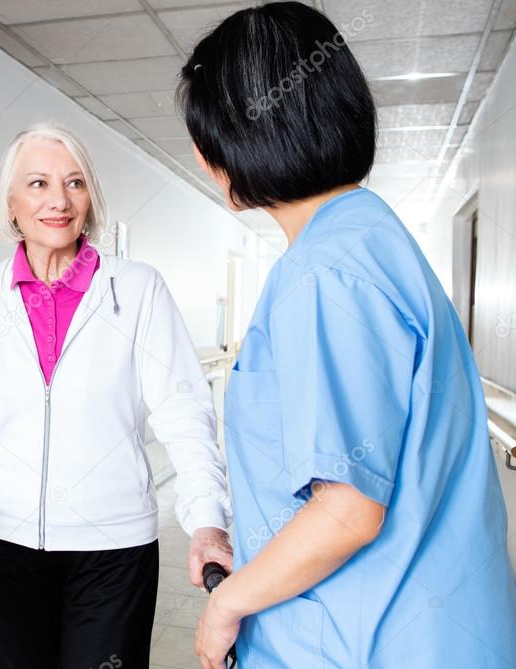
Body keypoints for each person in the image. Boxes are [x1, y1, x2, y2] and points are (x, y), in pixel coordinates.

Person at [178, 3, 516, 668]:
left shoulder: (323, 274)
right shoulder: (369, 237)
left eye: (205, 131)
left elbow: (347, 511)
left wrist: (226, 604)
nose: (200, 153)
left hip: (365, 642)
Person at [0, 122, 233, 668]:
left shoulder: (138, 291)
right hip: (4, 546)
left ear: (91, 198)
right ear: (12, 202)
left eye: (74, 183)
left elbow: (185, 413)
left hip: (113, 549)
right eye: (39, 184)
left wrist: (208, 521)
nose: (58, 200)